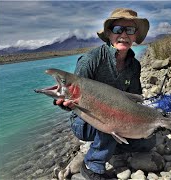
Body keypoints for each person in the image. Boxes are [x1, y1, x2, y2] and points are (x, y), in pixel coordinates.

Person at [54, 8, 156, 180]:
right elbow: (70, 93)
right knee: (113, 120)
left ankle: (106, 148)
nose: (123, 34)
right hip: (83, 121)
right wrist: (63, 103)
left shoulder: (134, 66)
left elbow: (135, 99)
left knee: (147, 142)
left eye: (130, 30)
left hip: (119, 116)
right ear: (109, 34)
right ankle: (91, 166)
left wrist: (149, 119)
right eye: (118, 30)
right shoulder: (91, 60)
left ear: (134, 36)